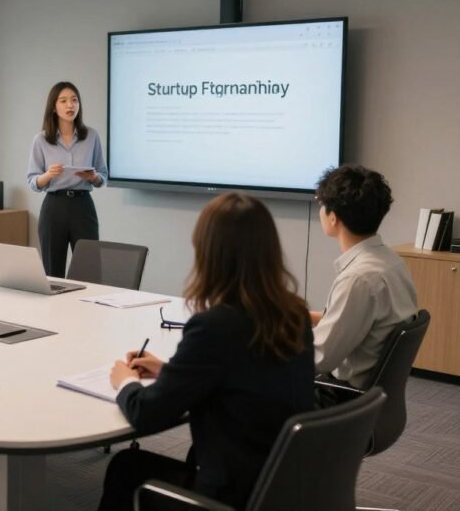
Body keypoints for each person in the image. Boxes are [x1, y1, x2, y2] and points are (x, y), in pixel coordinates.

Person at [98, 193, 315, 511]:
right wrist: (169, 370)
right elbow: (245, 372)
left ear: (210, 255)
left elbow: (146, 413)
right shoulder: (294, 313)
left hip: (232, 495)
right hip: (281, 483)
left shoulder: (214, 326)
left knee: (126, 467)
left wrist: (126, 381)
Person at [312, 165, 417, 400]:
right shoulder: (390, 262)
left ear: (332, 216)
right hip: (371, 401)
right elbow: (362, 321)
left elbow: (319, 358)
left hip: (339, 400)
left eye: (320, 203)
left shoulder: (358, 280)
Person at [26, 81, 108, 277]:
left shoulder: (91, 136)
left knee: (90, 269)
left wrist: (94, 177)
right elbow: (32, 181)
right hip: (54, 206)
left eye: (74, 100)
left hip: (83, 206)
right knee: (52, 271)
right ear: (54, 107)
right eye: (63, 101)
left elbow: (103, 176)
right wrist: (48, 175)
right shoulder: (41, 140)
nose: (70, 105)